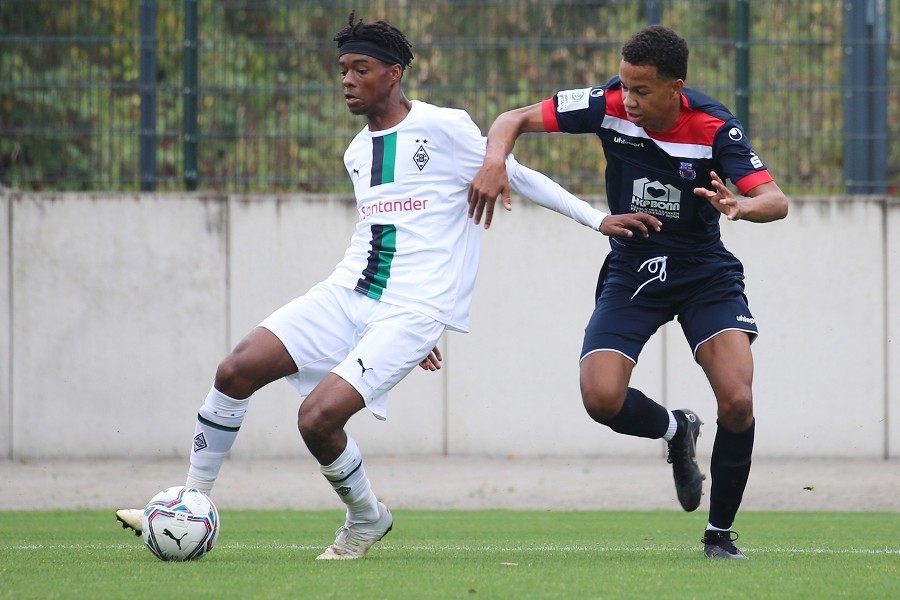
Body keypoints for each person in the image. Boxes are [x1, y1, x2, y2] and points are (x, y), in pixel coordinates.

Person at [115, 12, 609, 560]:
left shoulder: (444, 126)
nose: (347, 80)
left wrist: (598, 220)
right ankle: (191, 501)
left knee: (317, 420)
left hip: (412, 311)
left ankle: (366, 518)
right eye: (343, 70)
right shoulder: (355, 152)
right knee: (234, 370)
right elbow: (386, 234)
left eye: (360, 69)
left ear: (393, 74)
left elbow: (519, 176)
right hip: (348, 294)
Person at [468, 25, 788, 559]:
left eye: (642, 90)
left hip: (704, 271)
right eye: (625, 85)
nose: (629, 100)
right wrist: (495, 159)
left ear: (675, 87)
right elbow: (512, 119)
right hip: (634, 265)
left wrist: (739, 206)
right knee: (600, 398)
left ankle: (719, 535)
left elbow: (775, 200)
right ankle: (674, 428)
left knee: (736, 400)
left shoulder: (714, 126)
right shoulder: (605, 104)